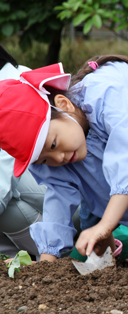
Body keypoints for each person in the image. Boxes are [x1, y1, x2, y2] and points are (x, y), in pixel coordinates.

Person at [0, 55, 128, 262]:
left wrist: (105, 224)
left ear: (64, 104)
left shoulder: (107, 96)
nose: (58, 158)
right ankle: (108, 263)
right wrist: (48, 258)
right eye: (44, 160)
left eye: (53, 145)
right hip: (92, 130)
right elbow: (58, 196)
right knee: (93, 211)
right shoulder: (55, 147)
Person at [0, 45, 44, 260]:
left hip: (63, 198)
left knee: (8, 208)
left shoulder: (14, 85)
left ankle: (52, 255)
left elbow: (2, 182)